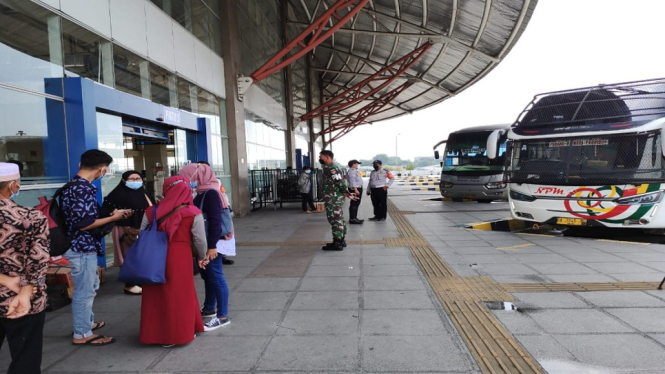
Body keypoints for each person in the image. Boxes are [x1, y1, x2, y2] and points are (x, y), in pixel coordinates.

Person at [60, 149, 132, 346]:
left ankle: (85, 323)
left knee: (89, 287)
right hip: (81, 247)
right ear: (102, 169)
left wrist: (111, 214)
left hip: (81, 245)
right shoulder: (81, 189)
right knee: (85, 291)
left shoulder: (75, 185)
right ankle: (82, 334)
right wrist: (114, 217)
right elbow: (84, 223)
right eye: (106, 170)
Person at [140, 176, 207, 346]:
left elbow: (142, 234)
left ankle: (155, 334)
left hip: (154, 255)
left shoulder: (151, 211)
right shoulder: (193, 213)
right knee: (180, 294)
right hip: (179, 256)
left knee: (156, 294)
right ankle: (180, 333)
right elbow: (200, 241)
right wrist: (201, 257)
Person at [0, 163, 49, 374]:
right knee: (25, 359)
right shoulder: (31, 217)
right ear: (12, 185)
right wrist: (26, 291)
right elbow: (39, 260)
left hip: (13, 289)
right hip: (24, 299)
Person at [179, 163, 231, 331]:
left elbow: (215, 220)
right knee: (208, 276)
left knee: (216, 277)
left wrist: (212, 246)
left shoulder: (210, 193)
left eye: (188, 177)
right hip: (208, 242)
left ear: (197, 176)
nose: (187, 181)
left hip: (211, 242)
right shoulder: (203, 191)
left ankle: (222, 316)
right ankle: (209, 307)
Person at [101, 171, 154, 296]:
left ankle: (140, 281)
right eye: (131, 179)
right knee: (128, 256)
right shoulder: (116, 195)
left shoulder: (144, 193)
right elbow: (106, 210)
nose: (135, 181)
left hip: (144, 230)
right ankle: (130, 284)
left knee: (141, 256)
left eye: (137, 179)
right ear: (124, 181)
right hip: (125, 230)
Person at [197, 161, 234, 265]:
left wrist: (212, 245)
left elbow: (215, 218)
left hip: (211, 235)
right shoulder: (200, 188)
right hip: (209, 236)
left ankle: (222, 256)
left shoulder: (213, 187)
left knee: (214, 275)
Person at [319, 151, 356, 251]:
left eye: (321, 157)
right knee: (338, 218)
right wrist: (346, 193)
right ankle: (341, 240)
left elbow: (339, 181)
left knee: (334, 219)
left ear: (327, 157)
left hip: (333, 198)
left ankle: (337, 242)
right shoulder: (333, 167)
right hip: (334, 197)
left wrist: (346, 192)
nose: (319, 158)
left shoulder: (332, 168)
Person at [346, 160, 364, 224]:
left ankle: (354, 217)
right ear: (353, 164)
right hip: (355, 189)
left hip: (357, 188)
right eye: (356, 164)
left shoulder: (354, 171)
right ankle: (353, 219)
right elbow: (352, 181)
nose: (357, 165)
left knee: (356, 203)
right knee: (354, 203)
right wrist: (355, 190)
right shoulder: (352, 171)